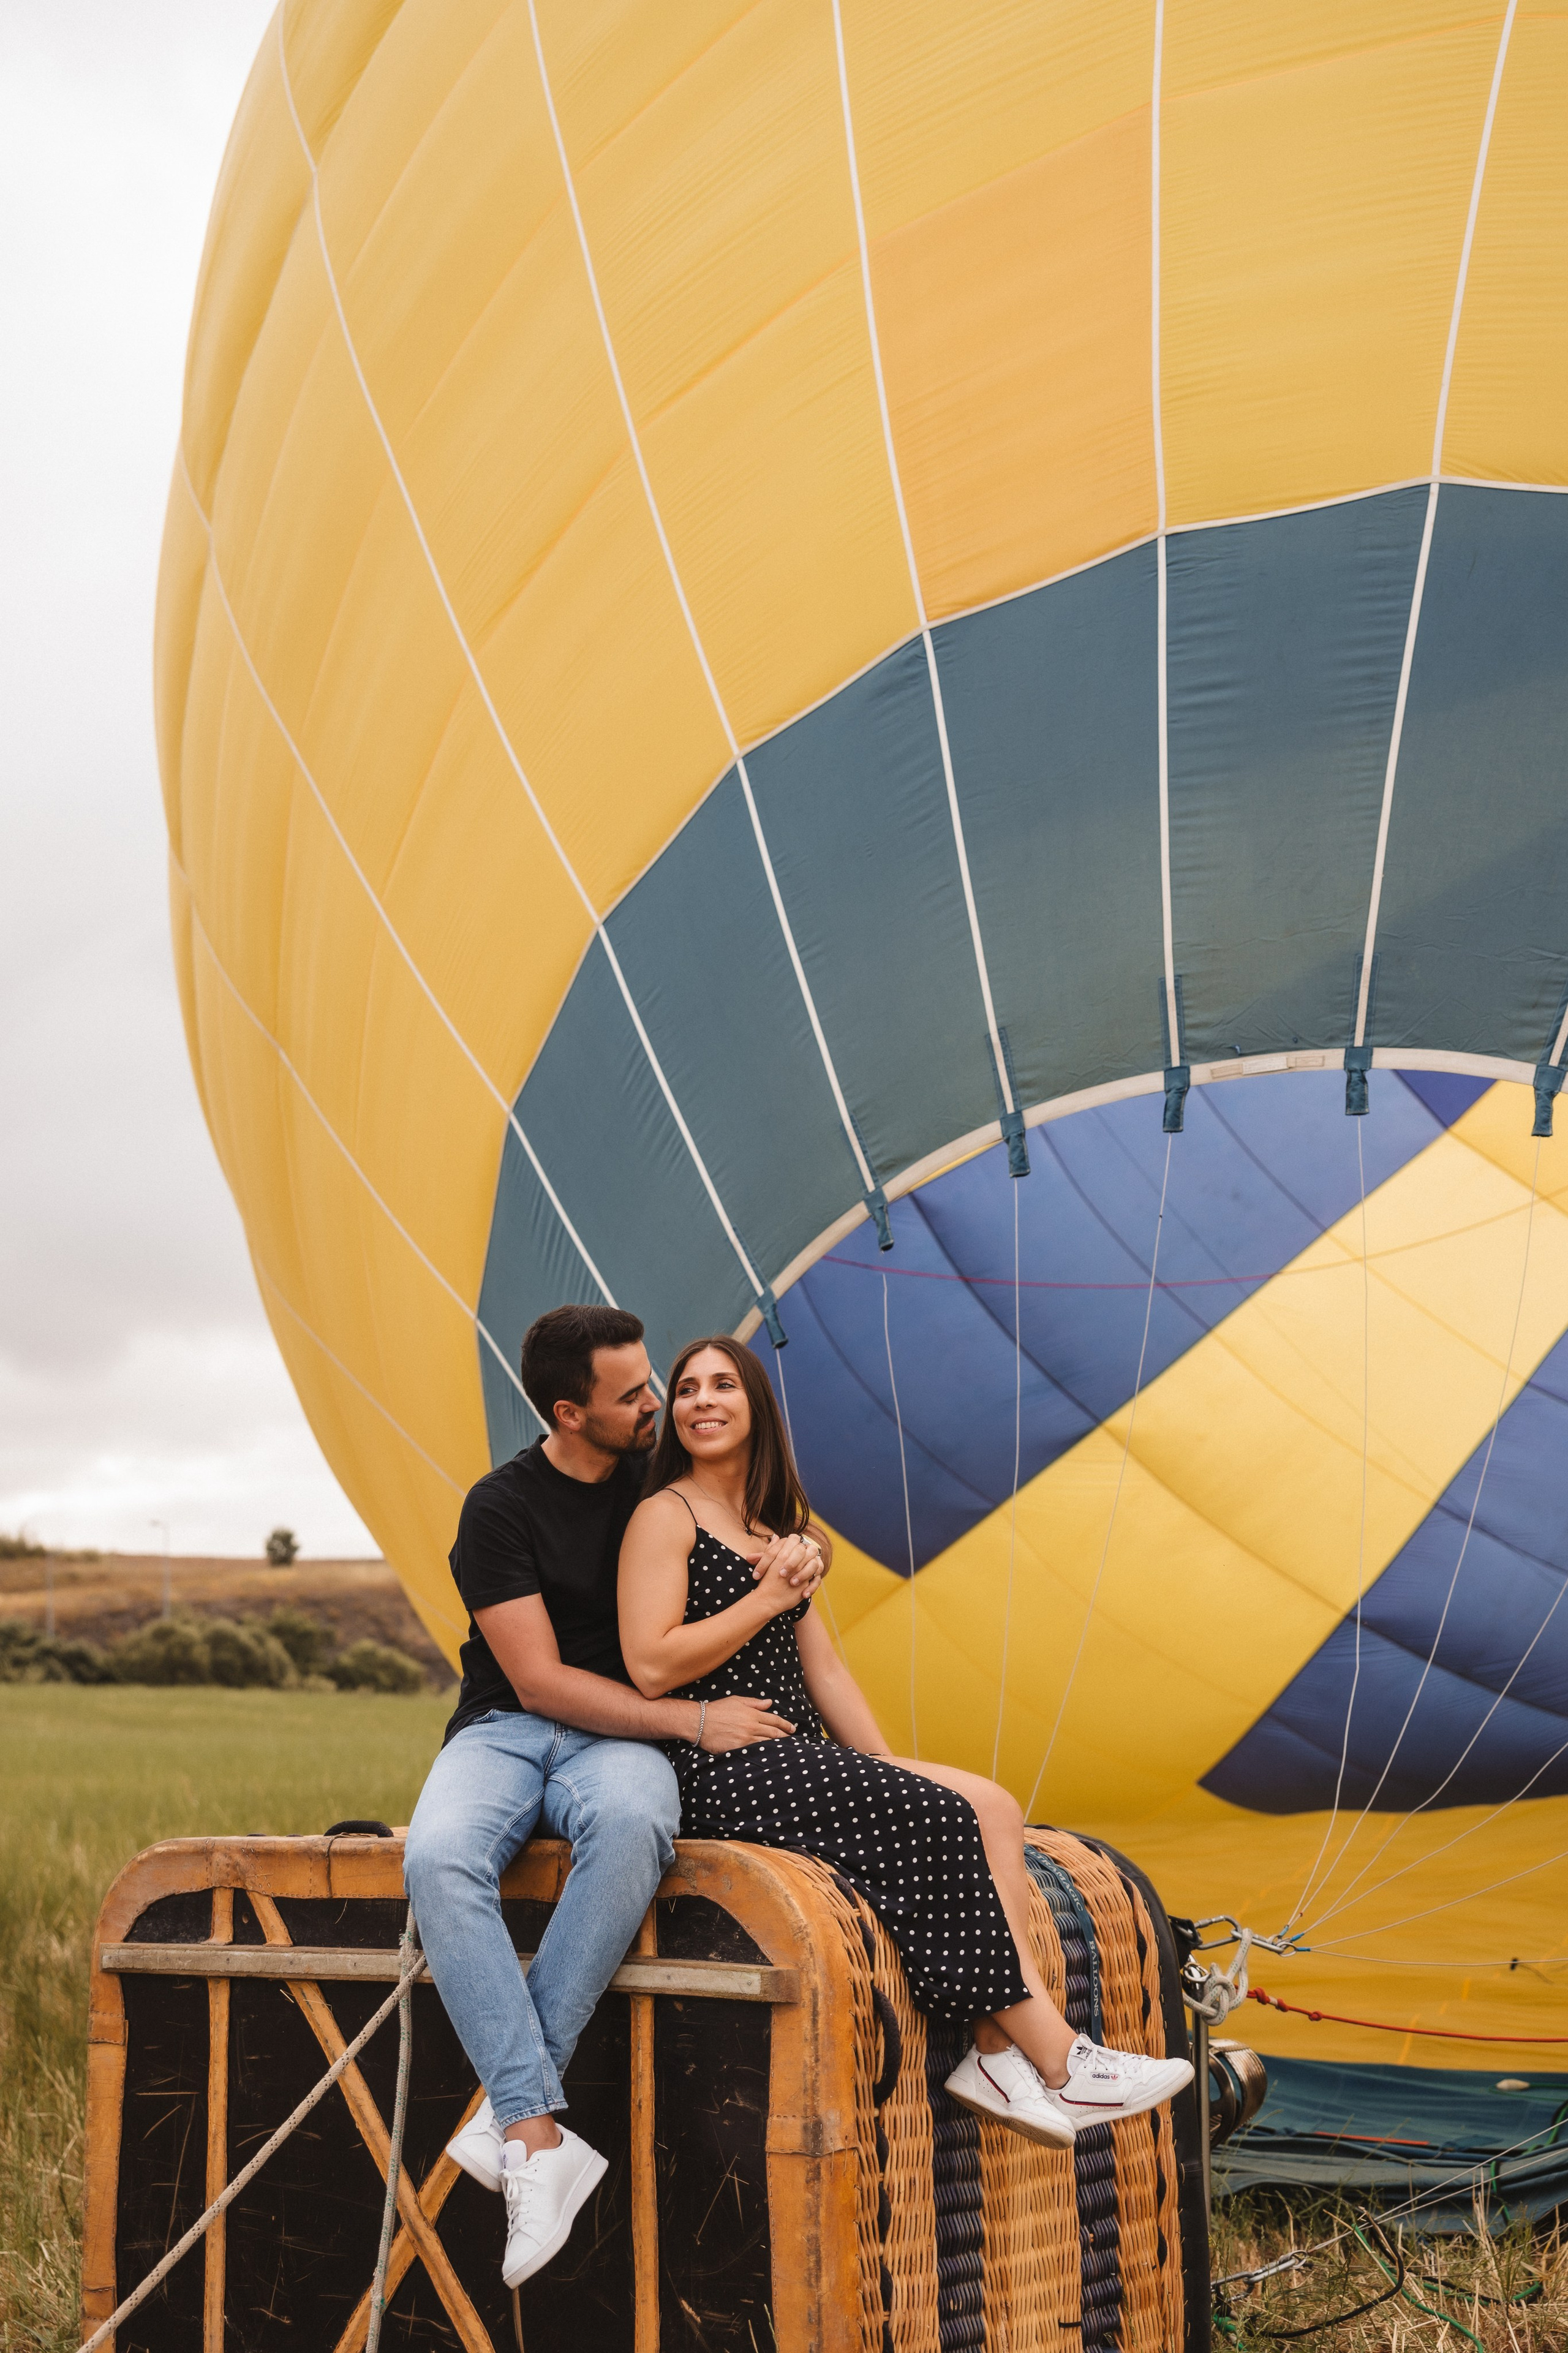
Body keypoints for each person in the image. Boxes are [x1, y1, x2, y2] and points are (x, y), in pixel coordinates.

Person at [618, 1336, 1194, 2148]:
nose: (702, 1400)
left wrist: (883, 1769)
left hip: (792, 1753)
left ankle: (993, 2052)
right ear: (673, 1414)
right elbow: (649, 1663)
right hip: (716, 1762)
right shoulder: (664, 1514)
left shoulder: (776, 1530)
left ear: (756, 1409)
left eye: (723, 1385)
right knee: (940, 1816)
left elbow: (829, 1676)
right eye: (686, 1389)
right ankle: (1063, 2058)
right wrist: (766, 1598)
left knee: (989, 1803)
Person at [402, 1305, 824, 2291]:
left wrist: (806, 1557)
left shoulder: (663, 1485)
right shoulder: (499, 1508)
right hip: (513, 1724)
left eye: (651, 1383)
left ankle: (513, 2122)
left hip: (617, 1746)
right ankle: (539, 2129)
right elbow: (541, 1682)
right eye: (631, 1393)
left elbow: (759, 1528)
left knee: (639, 1822)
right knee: (436, 1857)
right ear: (568, 1410)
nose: (654, 1405)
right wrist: (694, 1720)